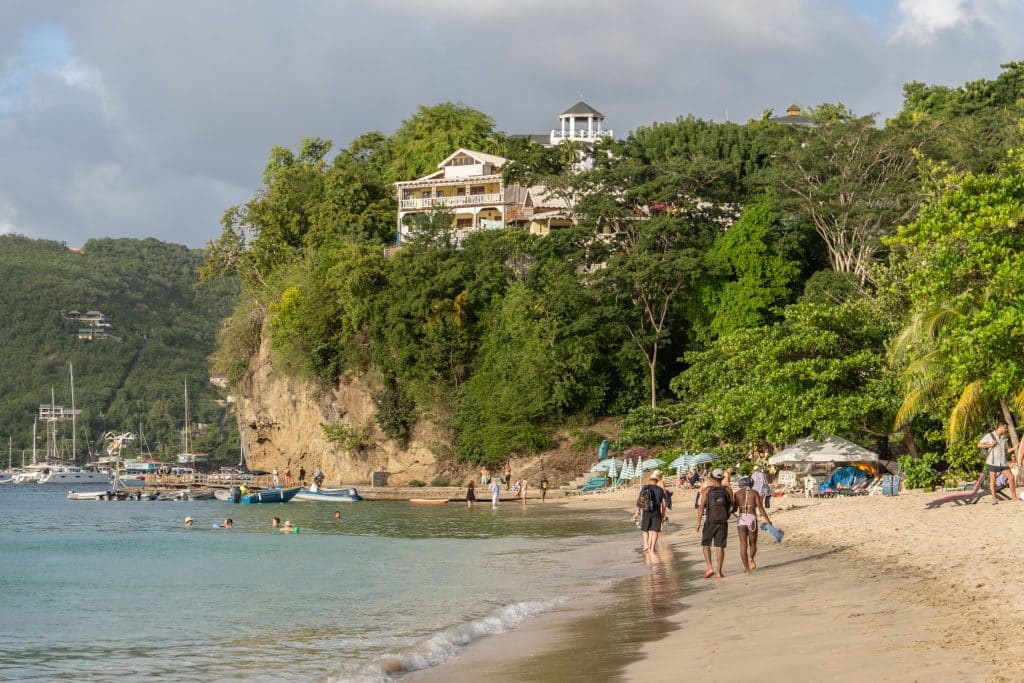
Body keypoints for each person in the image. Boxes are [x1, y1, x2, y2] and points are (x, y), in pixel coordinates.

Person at [696, 468, 733, 579]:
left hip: (710, 521)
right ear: (722, 478)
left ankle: (710, 567)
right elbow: (732, 505)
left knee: (706, 544)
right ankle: (719, 572)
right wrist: (727, 515)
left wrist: (698, 522)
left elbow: (701, 507)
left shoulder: (706, 491)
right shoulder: (728, 490)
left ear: (711, 478)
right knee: (720, 547)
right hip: (723, 522)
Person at [734, 476, 771, 573]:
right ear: (750, 484)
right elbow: (760, 507)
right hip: (751, 518)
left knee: (743, 544)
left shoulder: (737, 494)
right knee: (753, 543)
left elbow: (734, 508)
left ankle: (746, 569)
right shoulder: (754, 493)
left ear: (741, 484)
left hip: (741, 519)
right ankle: (751, 558)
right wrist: (767, 520)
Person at [979, 421, 1019, 504]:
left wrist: (1015, 448)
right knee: (993, 480)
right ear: (1001, 426)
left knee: (1011, 478)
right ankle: (994, 499)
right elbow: (979, 445)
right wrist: (990, 445)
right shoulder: (990, 436)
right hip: (992, 461)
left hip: (1002, 462)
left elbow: (1006, 450)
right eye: (1005, 428)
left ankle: (1014, 497)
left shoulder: (1004, 438)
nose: (1006, 430)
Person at [634, 470, 667, 553]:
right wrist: (663, 514)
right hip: (656, 512)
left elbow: (640, 500)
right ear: (656, 480)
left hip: (646, 511)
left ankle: (646, 544)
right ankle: (652, 548)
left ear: (650, 480)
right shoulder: (660, 490)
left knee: (645, 529)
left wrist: (637, 510)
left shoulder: (645, 488)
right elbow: (664, 504)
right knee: (655, 530)